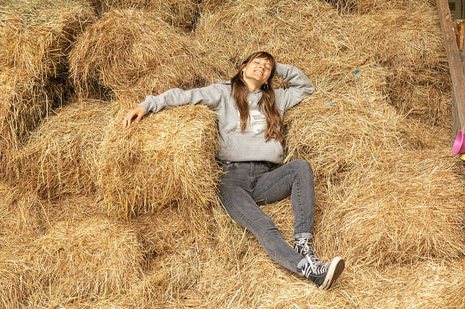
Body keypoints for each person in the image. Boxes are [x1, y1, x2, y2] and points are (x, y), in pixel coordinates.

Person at [123, 51, 345, 289]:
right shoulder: (223, 92)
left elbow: (305, 87)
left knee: (300, 166)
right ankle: (309, 270)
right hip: (231, 179)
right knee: (264, 225)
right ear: (243, 67)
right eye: (256, 63)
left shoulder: (276, 99)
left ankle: (304, 246)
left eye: (267, 67)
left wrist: (275, 67)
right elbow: (184, 96)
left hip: (265, 177)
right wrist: (147, 105)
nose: (261, 67)